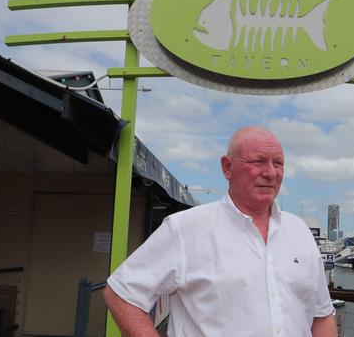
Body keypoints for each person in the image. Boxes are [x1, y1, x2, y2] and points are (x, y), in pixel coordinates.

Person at [103, 126, 337, 336]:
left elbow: (322, 314)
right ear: (227, 167)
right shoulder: (185, 229)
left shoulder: (299, 231)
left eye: (278, 163)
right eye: (258, 161)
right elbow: (122, 294)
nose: (271, 172)